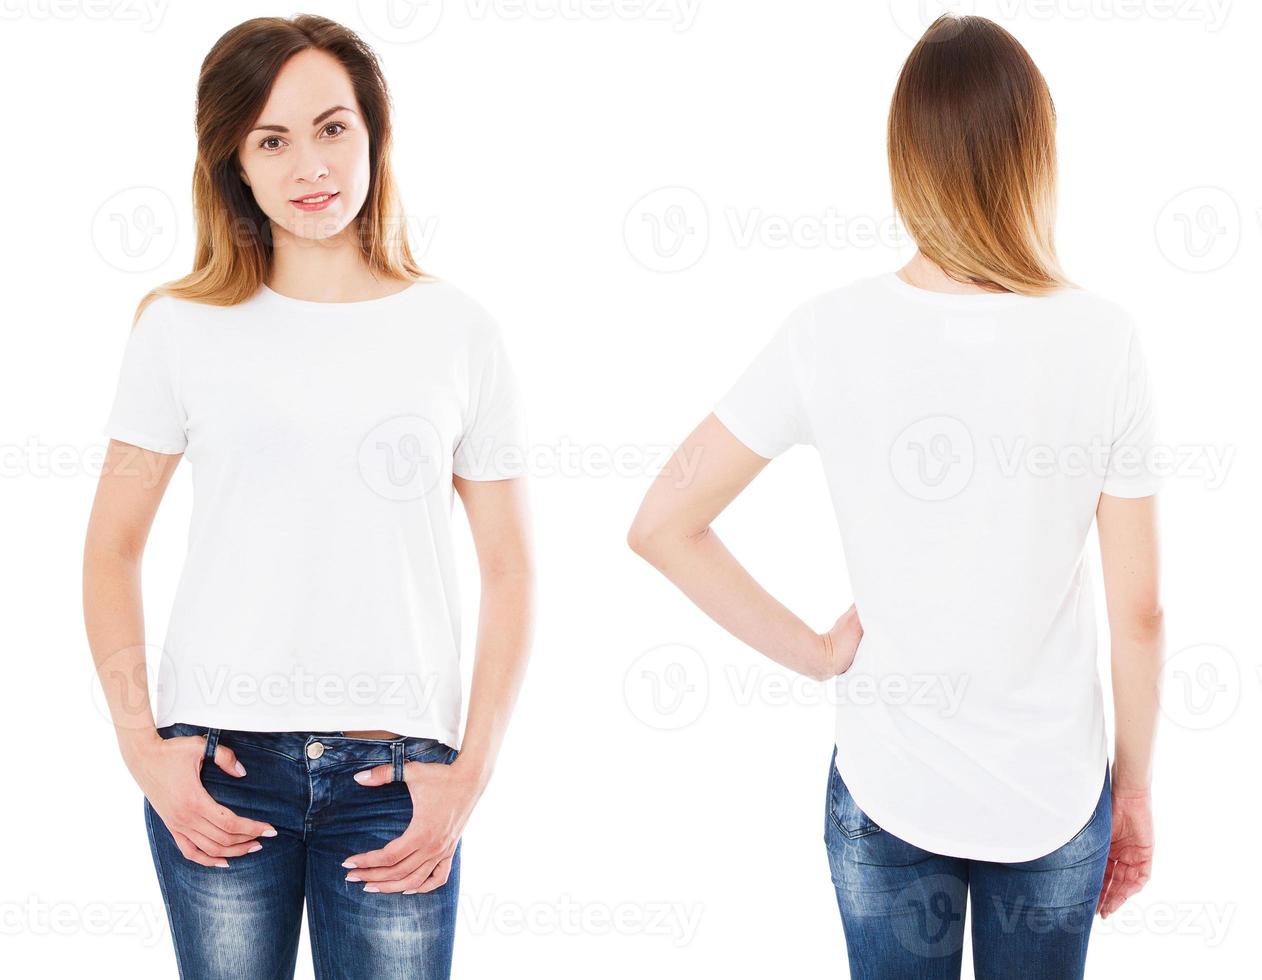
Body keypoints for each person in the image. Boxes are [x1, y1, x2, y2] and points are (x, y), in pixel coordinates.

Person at [627, 14, 1161, 979]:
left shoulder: (828, 331)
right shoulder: (1102, 339)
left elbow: (663, 522)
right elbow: (1142, 612)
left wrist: (821, 653)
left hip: (887, 787)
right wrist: (1137, 795)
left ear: (904, 159)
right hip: (1052, 794)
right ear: (1034, 154)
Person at [82, 15, 535, 980]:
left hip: (396, 779)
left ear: (374, 134)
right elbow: (111, 547)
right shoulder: (177, 329)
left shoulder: (458, 331)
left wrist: (471, 772)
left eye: (332, 128)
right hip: (218, 772)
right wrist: (143, 748)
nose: (308, 165)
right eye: (271, 140)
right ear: (234, 164)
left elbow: (510, 565)